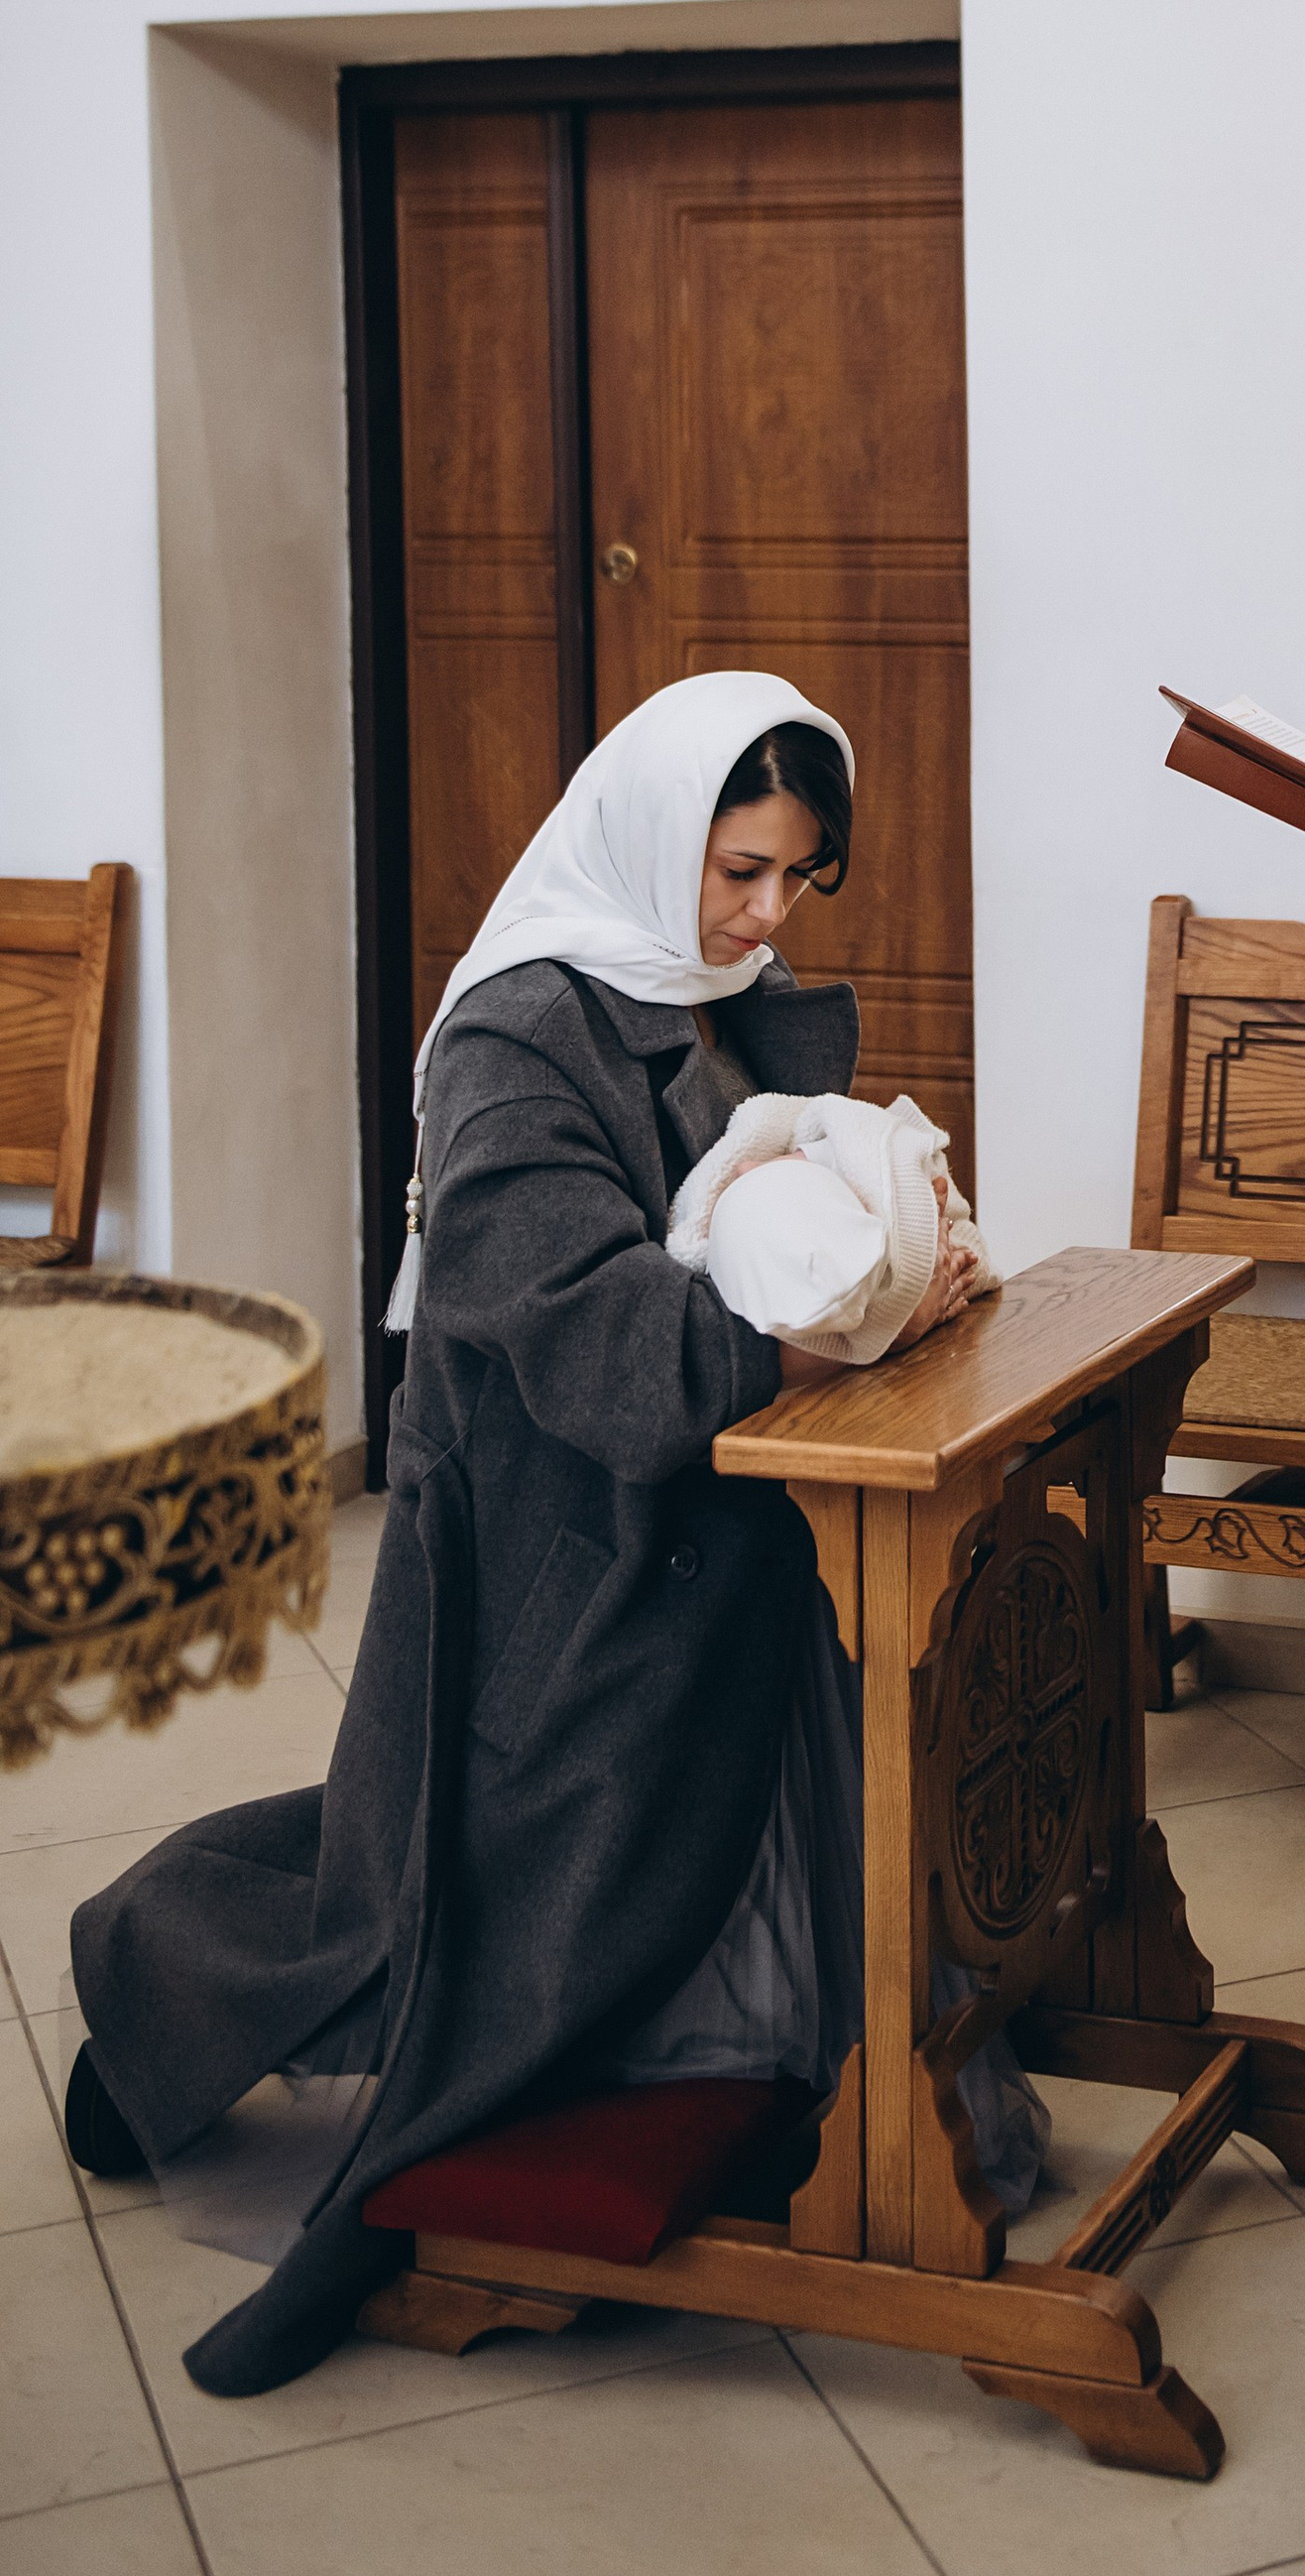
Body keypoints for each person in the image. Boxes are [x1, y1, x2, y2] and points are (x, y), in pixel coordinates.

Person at [64, 669, 1030, 2396]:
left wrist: (902, 1257)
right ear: (654, 839)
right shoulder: (517, 1038)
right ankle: (163, 1995)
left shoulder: (719, 987)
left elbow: (794, 1217)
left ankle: (746, 2062)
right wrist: (852, 1324)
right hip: (558, 1549)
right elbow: (594, 1331)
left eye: (797, 878)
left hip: (709, 1519)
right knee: (453, 1918)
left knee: (619, 1872)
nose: (768, 915)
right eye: (740, 871)